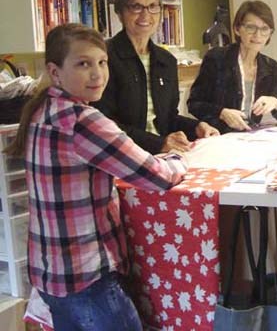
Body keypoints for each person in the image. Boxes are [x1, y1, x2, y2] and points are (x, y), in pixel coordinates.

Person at [3, 24, 188, 330]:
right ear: (55, 71)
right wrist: (179, 160)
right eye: (83, 64)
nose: (97, 73)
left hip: (52, 274)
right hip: (88, 276)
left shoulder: (40, 111)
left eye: (102, 63)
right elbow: (157, 176)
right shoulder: (81, 121)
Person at [93, 0, 219, 155]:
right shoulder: (103, 57)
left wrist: (198, 127)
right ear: (120, 12)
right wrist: (158, 144)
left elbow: (168, 118)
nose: (146, 15)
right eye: (136, 7)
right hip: (122, 157)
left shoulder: (166, 60)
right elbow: (103, 123)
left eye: (153, 7)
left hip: (163, 155)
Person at [187, 0, 277, 134]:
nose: (257, 35)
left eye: (264, 29)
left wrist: (276, 102)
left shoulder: (271, 67)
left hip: (250, 137)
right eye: (250, 27)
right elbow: (194, 104)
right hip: (217, 136)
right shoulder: (216, 58)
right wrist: (222, 113)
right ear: (237, 29)